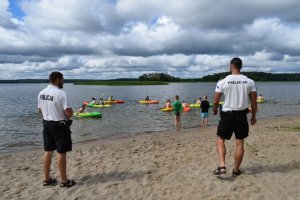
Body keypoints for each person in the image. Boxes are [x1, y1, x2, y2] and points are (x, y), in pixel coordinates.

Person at [212, 58, 257, 177]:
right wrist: (253, 116)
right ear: (240, 66)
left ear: (231, 66)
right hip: (242, 114)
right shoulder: (250, 81)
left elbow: (216, 100)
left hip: (227, 115)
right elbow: (253, 102)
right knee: (240, 143)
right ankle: (236, 170)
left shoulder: (223, 80)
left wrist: (215, 109)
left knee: (220, 139)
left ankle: (222, 165)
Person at [38, 71, 76, 187]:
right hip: (59, 125)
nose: (63, 82)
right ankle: (64, 181)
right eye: (62, 79)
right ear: (57, 79)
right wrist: (70, 112)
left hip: (46, 124)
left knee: (48, 151)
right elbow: (68, 113)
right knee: (61, 152)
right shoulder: (61, 93)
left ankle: (46, 179)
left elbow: (40, 110)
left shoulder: (42, 93)